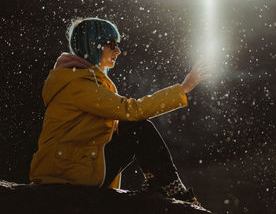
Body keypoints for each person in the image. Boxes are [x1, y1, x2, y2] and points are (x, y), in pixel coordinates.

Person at [29, 17, 210, 204]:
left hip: (69, 167)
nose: (118, 50)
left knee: (132, 127)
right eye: (112, 44)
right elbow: (131, 110)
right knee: (135, 127)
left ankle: (161, 182)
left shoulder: (78, 79)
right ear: (95, 45)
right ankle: (172, 188)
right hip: (70, 173)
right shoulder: (78, 85)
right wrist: (183, 89)